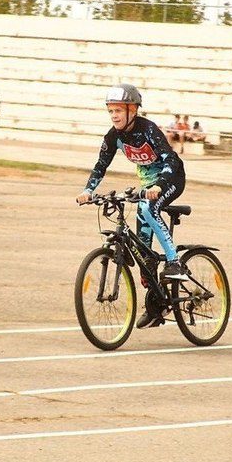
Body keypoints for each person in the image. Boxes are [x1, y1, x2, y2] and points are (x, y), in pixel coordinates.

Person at [76, 83, 188, 329]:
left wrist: (159, 185)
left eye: (118, 110)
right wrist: (88, 191)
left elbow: (170, 158)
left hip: (171, 179)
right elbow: (100, 165)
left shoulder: (148, 130)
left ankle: (174, 261)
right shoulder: (114, 136)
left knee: (149, 209)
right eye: (111, 111)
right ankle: (156, 306)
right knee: (144, 254)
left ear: (133, 110)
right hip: (146, 186)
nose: (114, 115)